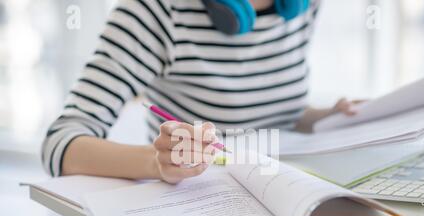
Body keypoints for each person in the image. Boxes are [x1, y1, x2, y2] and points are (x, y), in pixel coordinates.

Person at [42, 0, 358, 184]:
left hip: (286, 191)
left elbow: (276, 112)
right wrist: (156, 162)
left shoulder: (304, 7)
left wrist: (325, 118)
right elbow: (59, 144)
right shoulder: (155, 11)